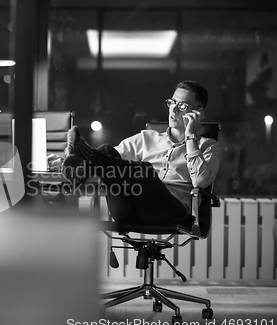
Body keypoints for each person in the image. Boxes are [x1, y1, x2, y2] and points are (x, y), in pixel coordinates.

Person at [47, 80, 222, 231]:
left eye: (182, 105)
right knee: (108, 151)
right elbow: (108, 160)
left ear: (198, 113)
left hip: (171, 214)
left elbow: (201, 181)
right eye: (171, 102)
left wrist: (190, 136)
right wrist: (65, 162)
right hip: (128, 211)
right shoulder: (147, 137)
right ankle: (79, 166)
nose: (173, 110)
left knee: (144, 171)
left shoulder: (208, 146)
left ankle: (83, 161)